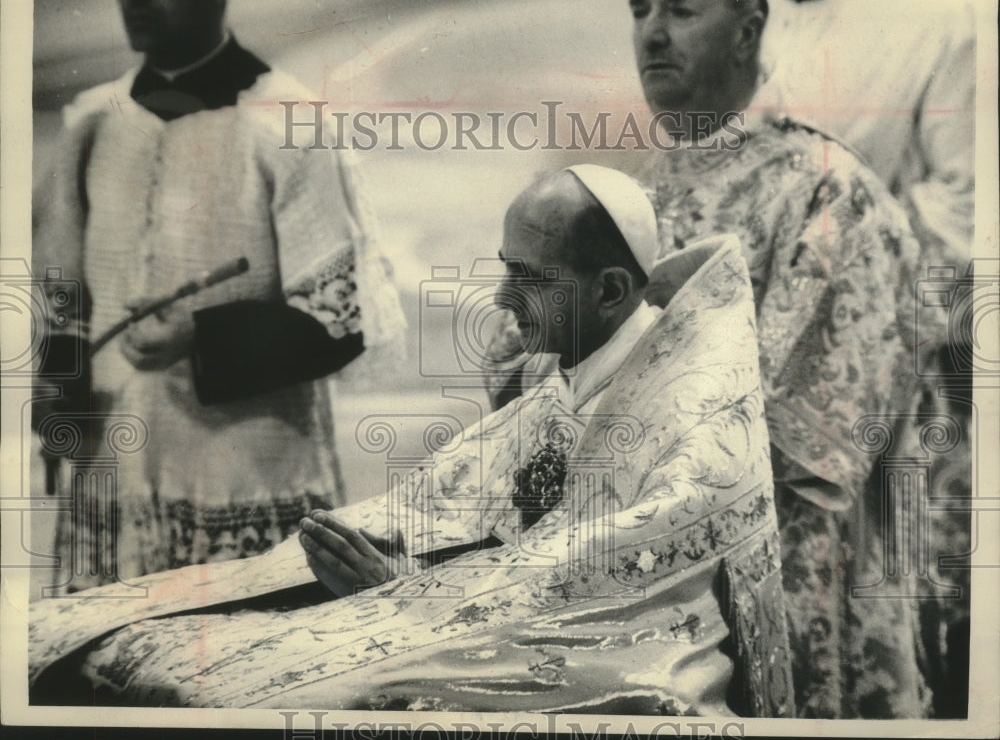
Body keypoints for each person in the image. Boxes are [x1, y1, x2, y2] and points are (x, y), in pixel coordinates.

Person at [30, 167, 793, 717]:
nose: (500, 299)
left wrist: (407, 593)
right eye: (505, 268)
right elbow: (464, 499)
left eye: (532, 277)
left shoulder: (693, 411)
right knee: (115, 635)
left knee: (247, 693)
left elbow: (607, 581)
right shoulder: (563, 364)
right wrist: (392, 564)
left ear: (611, 292)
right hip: (485, 611)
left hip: (620, 651)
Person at [485, 0, 927, 719]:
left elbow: (792, 440)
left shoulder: (827, 192)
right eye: (639, 8)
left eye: (680, 9)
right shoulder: (621, 194)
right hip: (627, 580)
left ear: (748, 31)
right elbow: (525, 372)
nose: (652, 32)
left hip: (780, 578)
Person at [31, 0, 405, 591]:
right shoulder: (93, 123)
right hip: (110, 476)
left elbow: (340, 324)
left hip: (246, 476)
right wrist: (57, 387)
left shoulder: (290, 124)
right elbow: (65, 291)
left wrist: (197, 338)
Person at [757, 0, 976, 717]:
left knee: (906, 597)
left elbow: (970, 199)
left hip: (892, 350)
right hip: (772, 347)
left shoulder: (943, 7)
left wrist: (845, 258)